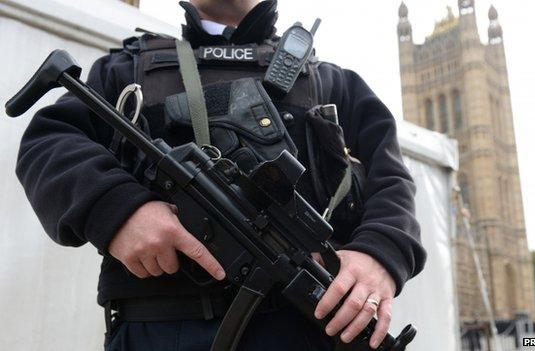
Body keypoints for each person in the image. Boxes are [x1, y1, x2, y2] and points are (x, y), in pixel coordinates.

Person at [15, 0, 426, 350]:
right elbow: (48, 143)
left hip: (309, 326)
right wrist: (120, 210)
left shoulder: (332, 83)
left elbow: (391, 178)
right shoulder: (127, 71)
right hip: (160, 327)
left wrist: (378, 256)